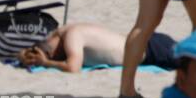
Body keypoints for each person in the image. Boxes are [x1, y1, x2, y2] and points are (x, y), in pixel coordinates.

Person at [18, 23, 173, 74]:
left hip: (152, 49)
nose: (56, 56)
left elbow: (73, 68)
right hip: (148, 44)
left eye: (51, 54)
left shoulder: (73, 35)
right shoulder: (65, 31)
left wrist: (46, 63)